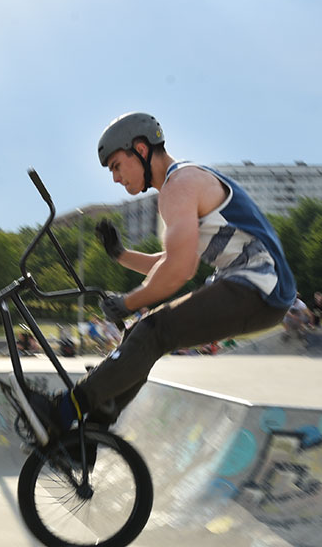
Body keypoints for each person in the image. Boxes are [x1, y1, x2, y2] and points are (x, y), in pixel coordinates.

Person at [30, 112, 295, 440]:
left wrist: (129, 302)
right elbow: (172, 260)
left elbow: (181, 271)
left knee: (153, 329)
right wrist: (120, 255)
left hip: (260, 286)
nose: (115, 178)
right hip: (252, 288)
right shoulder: (182, 185)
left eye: (116, 166)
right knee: (141, 337)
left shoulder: (179, 186)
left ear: (140, 149)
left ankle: (63, 412)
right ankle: (90, 432)